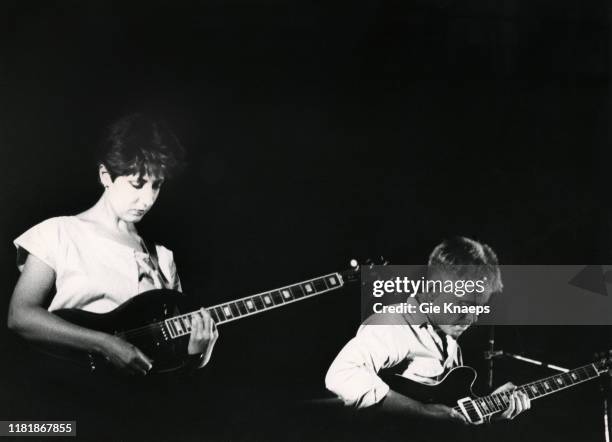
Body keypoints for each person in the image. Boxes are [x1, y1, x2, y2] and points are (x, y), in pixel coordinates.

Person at [6, 113, 218, 436]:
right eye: (137, 183)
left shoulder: (162, 257)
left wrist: (198, 354)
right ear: (106, 175)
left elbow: (170, 368)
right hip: (66, 408)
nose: (146, 198)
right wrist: (105, 344)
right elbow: (20, 316)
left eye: (156, 185)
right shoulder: (60, 232)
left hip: (140, 419)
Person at [325, 237, 530, 427]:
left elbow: (449, 417)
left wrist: (487, 412)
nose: (471, 319)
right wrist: (424, 411)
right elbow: (342, 374)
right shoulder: (394, 324)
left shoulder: (451, 344)